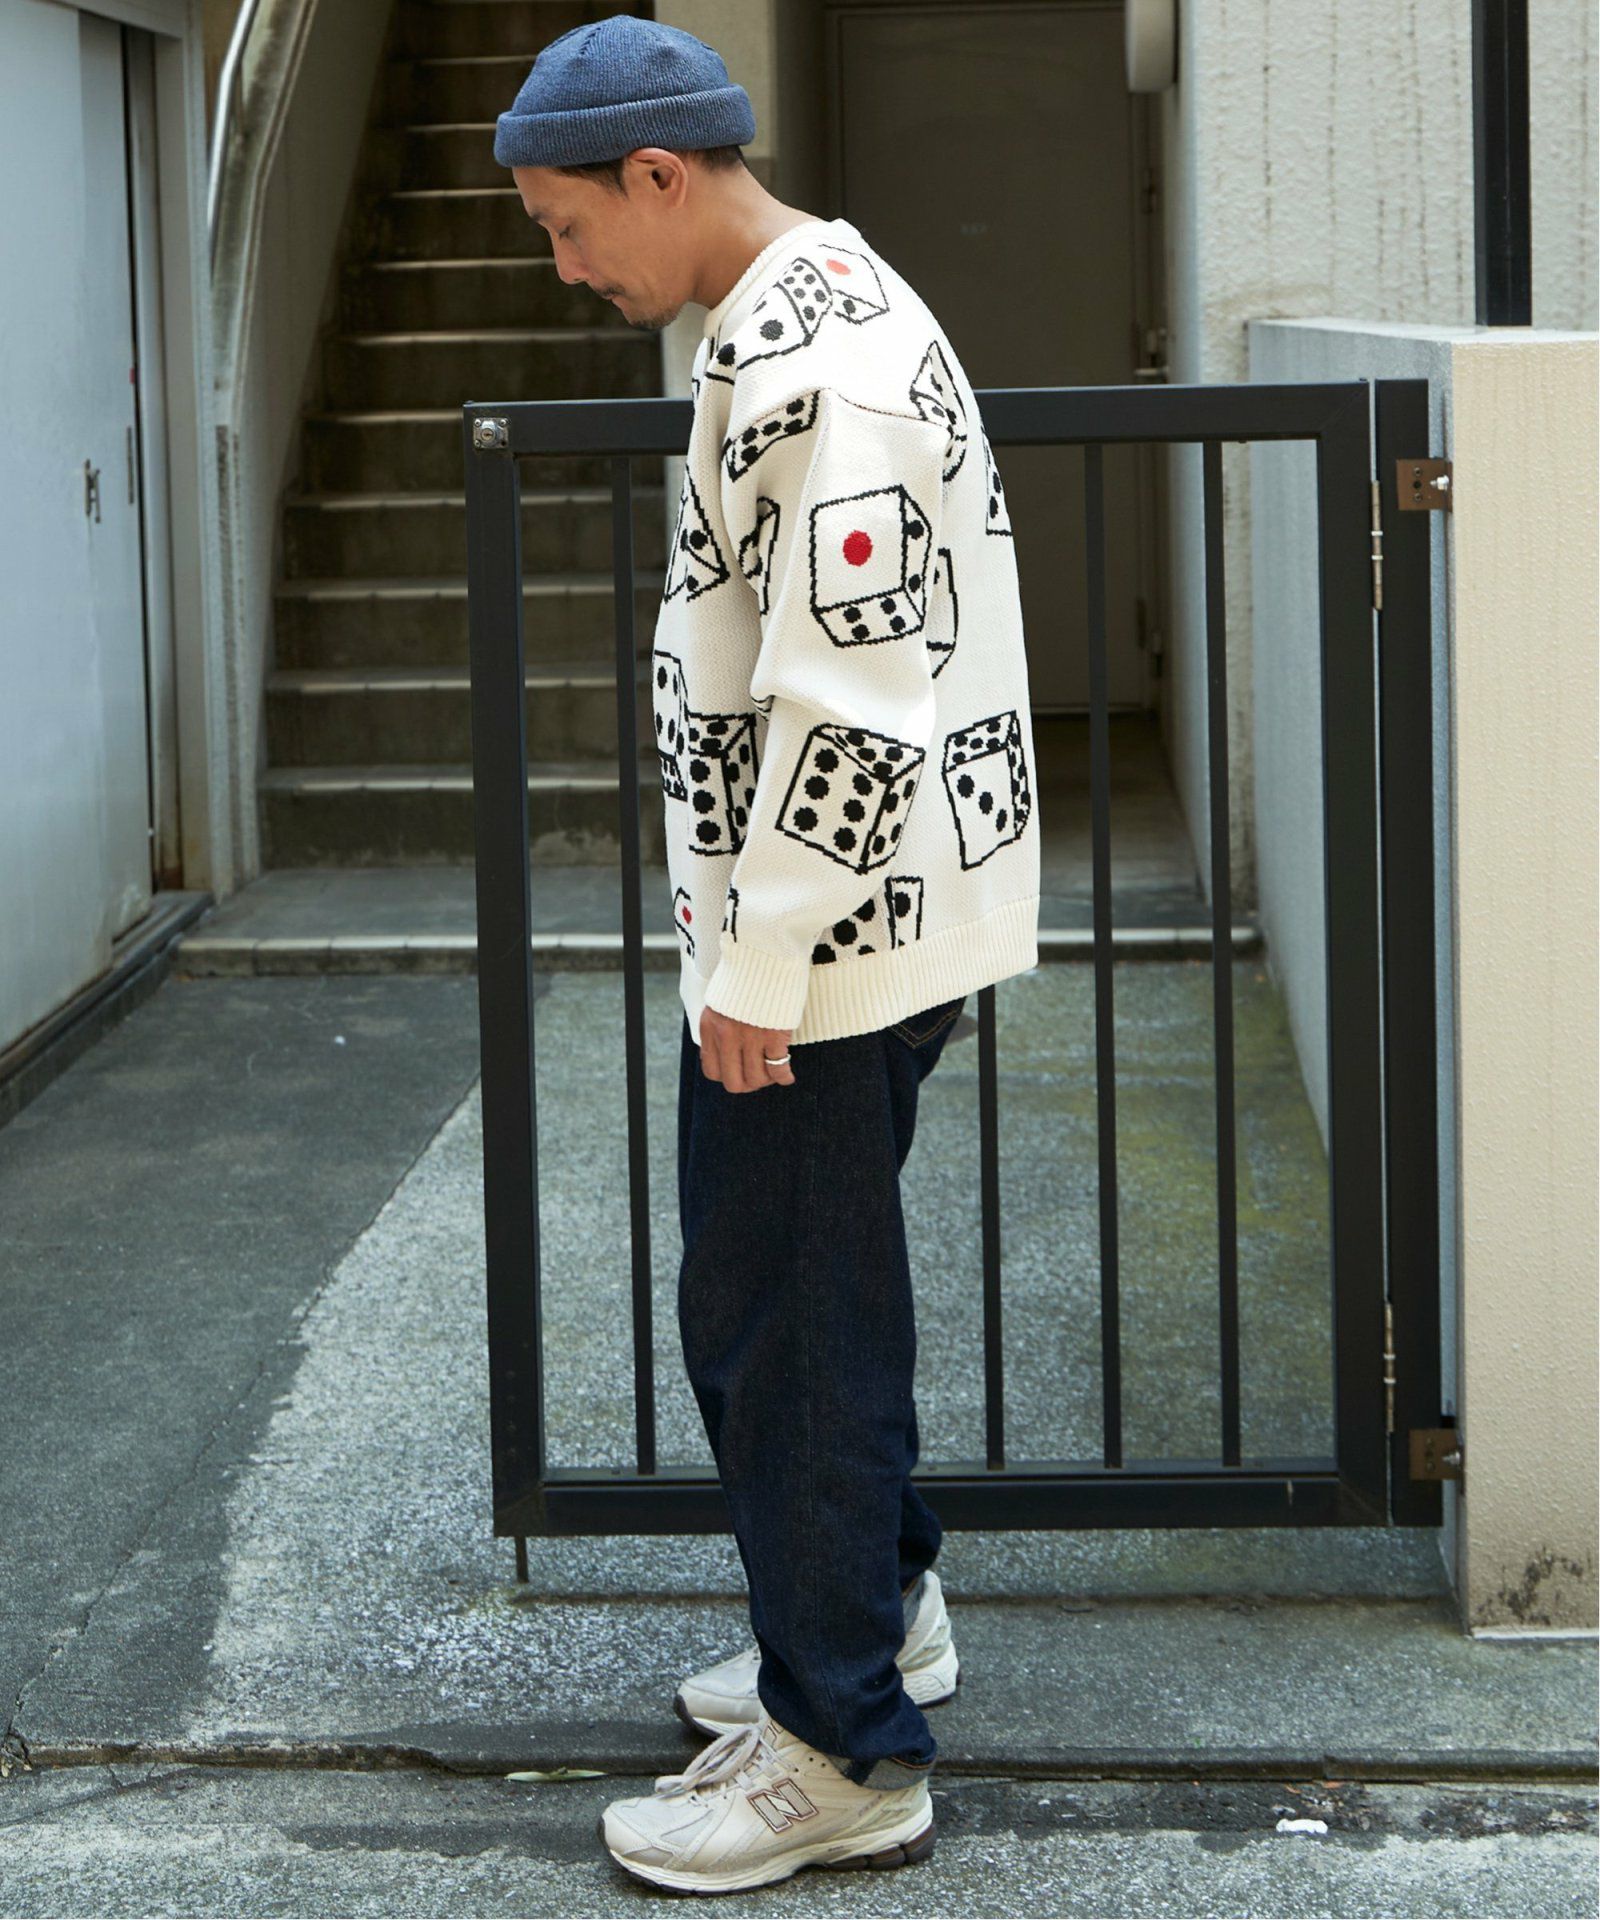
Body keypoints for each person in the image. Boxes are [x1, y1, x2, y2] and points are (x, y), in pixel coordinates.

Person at [494, 15, 1040, 1896]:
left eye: (571, 227)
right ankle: (874, 1617)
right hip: (847, 926)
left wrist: (761, 964)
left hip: (823, 946)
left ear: (660, 174)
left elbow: (854, 700)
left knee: (784, 1329)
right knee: (797, 1301)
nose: (569, 268)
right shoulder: (803, 312)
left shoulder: (824, 369)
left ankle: (843, 1748)